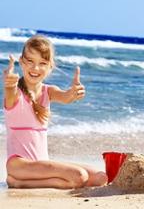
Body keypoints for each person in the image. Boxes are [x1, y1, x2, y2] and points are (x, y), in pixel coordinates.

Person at [3, 35, 108, 189]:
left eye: (42, 63)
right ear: (21, 62)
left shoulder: (48, 91)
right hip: (19, 164)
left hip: (42, 164)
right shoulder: (16, 93)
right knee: (79, 176)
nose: (35, 68)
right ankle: (18, 182)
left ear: (50, 67)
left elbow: (65, 97)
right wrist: (9, 85)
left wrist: (73, 93)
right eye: (30, 61)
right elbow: (10, 93)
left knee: (100, 178)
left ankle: (21, 182)